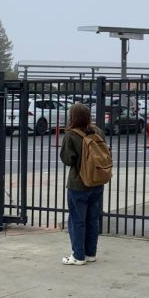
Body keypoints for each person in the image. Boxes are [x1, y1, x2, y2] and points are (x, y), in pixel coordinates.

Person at [59, 103, 106, 266]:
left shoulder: (71, 135)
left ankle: (78, 255)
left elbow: (67, 159)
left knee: (77, 219)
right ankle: (90, 253)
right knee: (93, 218)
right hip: (97, 181)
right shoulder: (97, 131)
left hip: (78, 183)